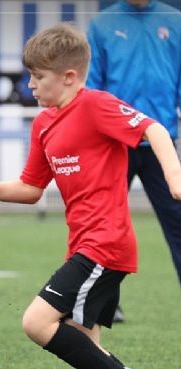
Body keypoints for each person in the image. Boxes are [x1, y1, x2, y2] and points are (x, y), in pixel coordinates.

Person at [0, 24, 180, 369]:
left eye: (37, 77)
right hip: (83, 245)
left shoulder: (97, 106)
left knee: (36, 322)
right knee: (88, 349)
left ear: (69, 77)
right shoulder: (43, 124)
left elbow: (153, 129)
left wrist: (174, 176)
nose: (30, 85)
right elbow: (31, 188)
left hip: (106, 245)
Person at [87, 0, 181, 323]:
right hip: (115, 144)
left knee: (180, 221)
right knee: (105, 224)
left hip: (161, 140)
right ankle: (104, 305)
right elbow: (91, 88)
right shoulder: (102, 24)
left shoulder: (175, 21)